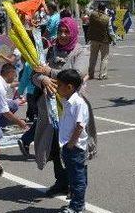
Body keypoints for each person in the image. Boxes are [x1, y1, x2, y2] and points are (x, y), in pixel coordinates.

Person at [32, 17, 96, 197]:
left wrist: (50, 72)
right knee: (54, 146)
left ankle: (75, 187)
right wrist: (42, 79)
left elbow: (77, 75)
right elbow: (34, 74)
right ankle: (61, 182)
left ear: (74, 32)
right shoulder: (49, 50)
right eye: (60, 31)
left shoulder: (81, 51)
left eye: (67, 31)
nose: (62, 35)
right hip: (50, 108)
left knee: (74, 148)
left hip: (72, 109)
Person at [54, 69, 90, 213]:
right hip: (68, 146)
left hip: (74, 147)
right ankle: (78, 202)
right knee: (74, 175)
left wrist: (71, 144)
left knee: (77, 178)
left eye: (59, 85)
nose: (57, 88)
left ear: (69, 87)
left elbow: (80, 125)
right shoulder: (66, 100)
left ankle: (76, 207)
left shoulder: (78, 102)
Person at [87, 3, 113, 81]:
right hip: (104, 40)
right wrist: (114, 39)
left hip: (93, 39)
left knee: (93, 57)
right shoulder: (107, 18)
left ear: (98, 8)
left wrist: (92, 1)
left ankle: (90, 74)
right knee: (104, 57)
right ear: (104, 8)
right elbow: (110, 30)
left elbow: (87, 10)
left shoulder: (92, 15)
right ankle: (102, 75)